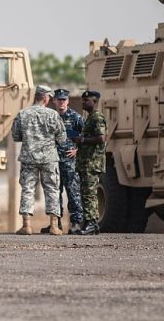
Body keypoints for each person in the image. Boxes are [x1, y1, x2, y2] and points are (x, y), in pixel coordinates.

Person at [11, 85, 66, 236]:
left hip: (29, 158)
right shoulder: (53, 115)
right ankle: (54, 226)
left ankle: (26, 226)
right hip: (49, 158)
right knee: (52, 189)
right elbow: (62, 138)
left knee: (28, 189)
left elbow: (15, 136)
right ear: (46, 98)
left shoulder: (23, 114)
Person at [39, 88, 85, 235]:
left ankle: (75, 223)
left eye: (64, 99)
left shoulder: (76, 118)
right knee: (54, 193)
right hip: (53, 162)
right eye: (59, 99)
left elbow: (87, 137)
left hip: (69, 162)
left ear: (68, 101)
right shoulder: (50, 117)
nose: (61, 102)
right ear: (54, 101)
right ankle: (55, 223)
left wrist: (78, 150)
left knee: (73, 192)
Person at [71, 90, 107, 236]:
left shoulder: (97, 117)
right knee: (86, 193)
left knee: (89, 194)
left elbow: (101, 138)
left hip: (92, 163)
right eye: (83, 100)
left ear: (94, 101)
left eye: (87, 100)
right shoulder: (90, 118)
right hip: (86, 162)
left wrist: (83, 140)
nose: (83, 103)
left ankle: (91, 223)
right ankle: (90, 223)